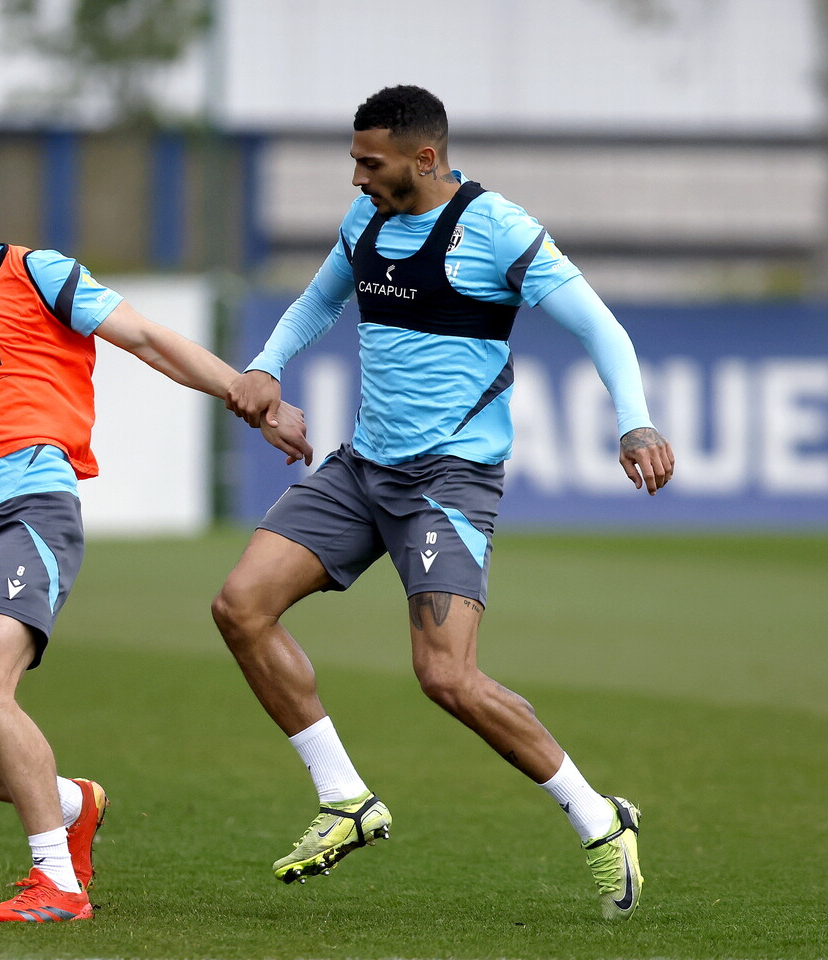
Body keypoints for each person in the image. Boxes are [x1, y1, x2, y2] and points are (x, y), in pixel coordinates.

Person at [212, 85, 674, 921]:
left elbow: (602, 328)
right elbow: (321, 299)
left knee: (446, 677)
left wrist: (634, 423)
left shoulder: (496, 229)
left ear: (424, 159)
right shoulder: (367, 224)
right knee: (240, 604)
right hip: (362, 470)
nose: (355, 176)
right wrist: (265, 366)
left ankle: (600, 818)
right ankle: (346, 798)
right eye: (354, 158)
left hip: (448, 481)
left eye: (370, 161)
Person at [0, 145, 310, 923]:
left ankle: (56, 883)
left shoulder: (36, 275)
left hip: (29, 507)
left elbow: (147, 339)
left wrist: (245, 392)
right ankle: (71, 804)